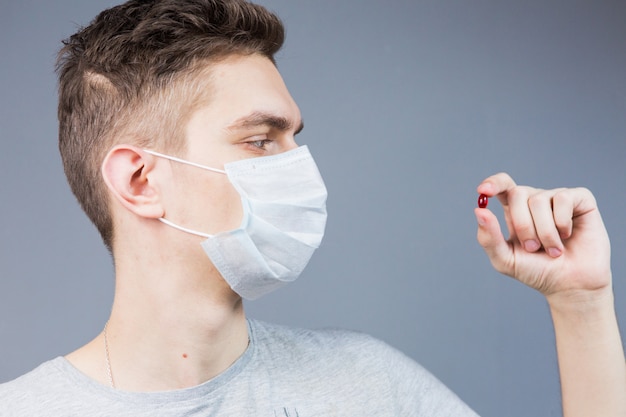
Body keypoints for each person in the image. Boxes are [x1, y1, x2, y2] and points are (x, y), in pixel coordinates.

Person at [1, 0, 624, 416]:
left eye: (294, 139)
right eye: (259, 140)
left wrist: (581, 304)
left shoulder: (368, 387)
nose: (299, 169)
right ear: (139, 180)